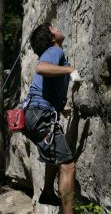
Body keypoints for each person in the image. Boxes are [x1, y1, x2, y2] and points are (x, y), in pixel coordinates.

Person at [22, 22, 81, 214]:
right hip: (39, 114)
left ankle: (48, 190)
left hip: (35, 114)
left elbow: (45, 85)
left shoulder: (53, 53)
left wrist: (59, 105)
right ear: (52, 38)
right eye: (53, 27)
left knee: (55, 152)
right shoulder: (54, 51)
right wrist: (70, 69)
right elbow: (41, 69)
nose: (58, 27)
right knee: (68, 166)